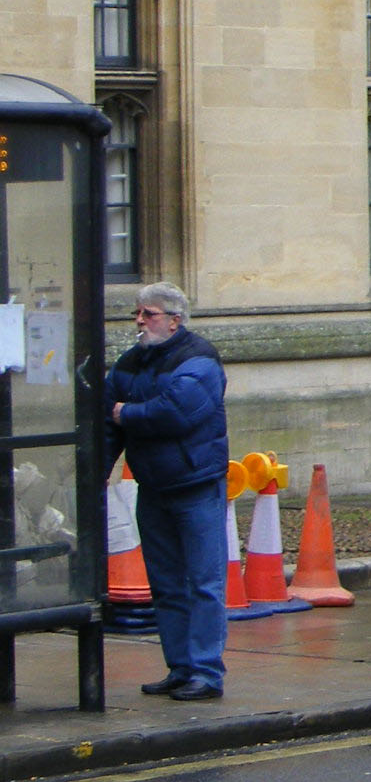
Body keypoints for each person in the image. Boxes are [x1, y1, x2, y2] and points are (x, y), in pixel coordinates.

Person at [104, 282, 230, 702]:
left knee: (204, 583)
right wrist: (98, 470)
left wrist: (128, 413)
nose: (140, 321)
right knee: (166, 585)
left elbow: (178, 413)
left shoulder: (199, 359)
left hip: (196, 486)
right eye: (137, 313)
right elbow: (106, 417)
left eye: (149, 314)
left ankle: (207, 672)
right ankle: (179, 668)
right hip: (153, 487)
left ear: (175, 320)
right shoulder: (130, 363)